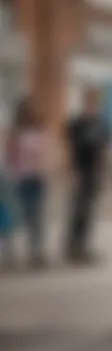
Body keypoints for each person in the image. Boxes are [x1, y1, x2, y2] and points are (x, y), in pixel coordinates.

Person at [65, 88, 112, 264]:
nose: (93, 103)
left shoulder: (102, 123)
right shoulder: (77, 123)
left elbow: (103, 151)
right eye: (90, 99)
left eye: (96, 100)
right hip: (80, 170)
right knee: (77, 210)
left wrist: (105, 173)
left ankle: (83, 247)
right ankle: (72, 247)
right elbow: (70, 149)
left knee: (89, 211)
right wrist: (71, 172)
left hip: (94, 172)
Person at [5, 99, 49, 268]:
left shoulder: (41, 131)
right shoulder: (16, 132)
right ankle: (9, 253)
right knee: (15, 216)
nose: (31, 115)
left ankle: (36, 252)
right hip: (19, 179)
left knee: (37, 217)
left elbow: (46, 154)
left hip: (37, 178)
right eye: (28, 112)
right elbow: (9, 155)